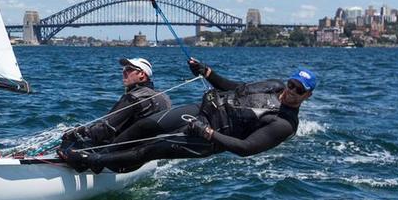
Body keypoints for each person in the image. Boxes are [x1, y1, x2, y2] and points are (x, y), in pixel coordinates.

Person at [59, 58, 317, 173]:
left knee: (155, 147)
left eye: (299, 90)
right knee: (148, 124)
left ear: (307, 96)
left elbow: (246, 148)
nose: (291, 91)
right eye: (292, 83)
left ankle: (96, 161)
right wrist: (207, 72)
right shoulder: (274, 84)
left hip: (209, 137)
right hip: (201, 110)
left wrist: (207, 133)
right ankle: (105, 149)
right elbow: (235, 89)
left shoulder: (285, 124)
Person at [59, 57, 171, 153]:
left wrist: (78, 132)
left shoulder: (133, 97)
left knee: (70, 143)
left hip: (124, 153)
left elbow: (106, 129)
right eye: (123, 69)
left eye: (129, 69)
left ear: (142, 74)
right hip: (150, 150)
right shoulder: (164, 97)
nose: (124, 72)